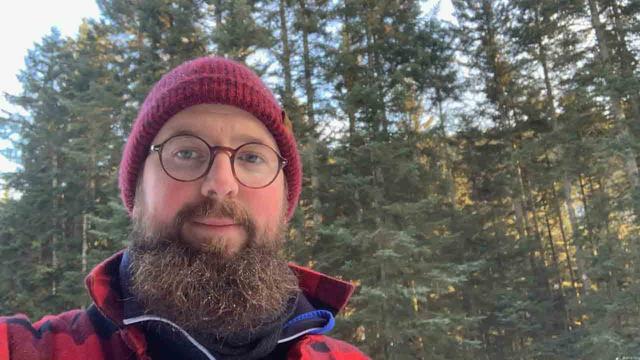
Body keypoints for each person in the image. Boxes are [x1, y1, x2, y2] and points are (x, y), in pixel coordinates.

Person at [0, 57, 368, 360]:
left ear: (285, 198)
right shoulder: (31, 350)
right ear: (137, 189)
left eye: (253, 157)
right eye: (186, 152)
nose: (221, 184)